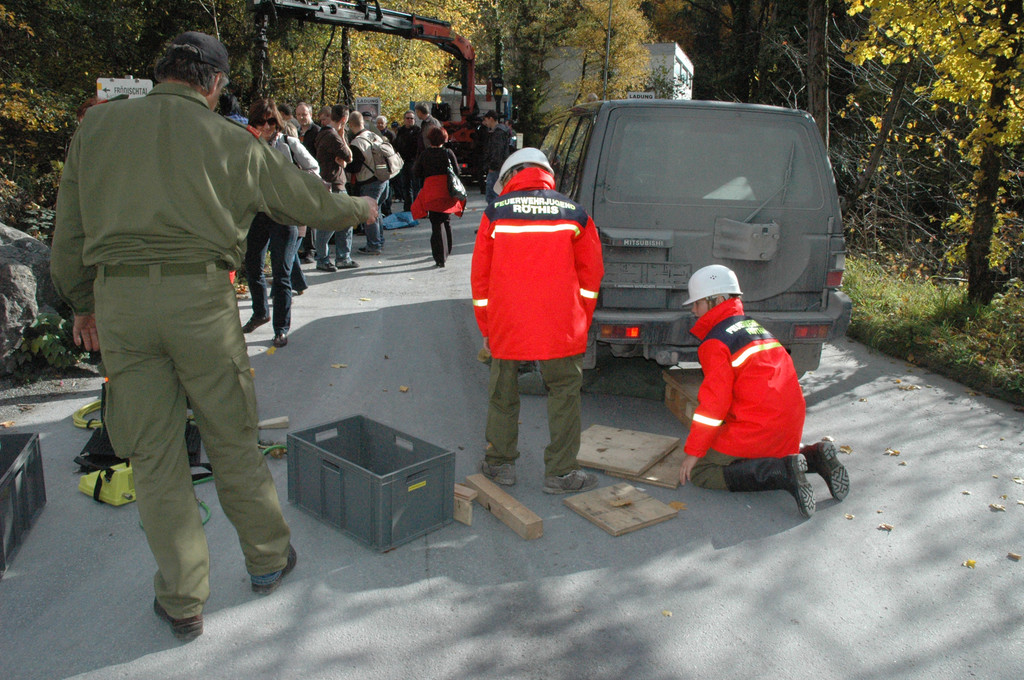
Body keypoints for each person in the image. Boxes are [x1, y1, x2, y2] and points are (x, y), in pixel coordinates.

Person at [50, 31, 377, 641]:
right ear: (216, 83)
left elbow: (68, 233)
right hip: (200, 302)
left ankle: (182, 600)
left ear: (161, 73)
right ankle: (268, 559)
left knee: (153, 456)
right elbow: (303, 201)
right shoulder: (232, 140)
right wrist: (360, 209)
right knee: (231, 438)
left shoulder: (97, 128)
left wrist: (83, 304)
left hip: (121, 304)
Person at [471, 148, 604, 494]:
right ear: (546, 174)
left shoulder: (495, 213)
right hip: (561, 325)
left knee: (503, 394)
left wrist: (487, 327)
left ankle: (499, 464)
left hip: (507, 323)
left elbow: (481, 278)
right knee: (564, 394)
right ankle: (561, 474)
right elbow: (591, 276)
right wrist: (580, 318)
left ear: (509, 177)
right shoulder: (575, 213)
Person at [676, 264, 850, 517]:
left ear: (718, 301)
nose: (693, 310)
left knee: (702, 471)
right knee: (760, 449)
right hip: (789, 425)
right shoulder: (756, 328)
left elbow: (713, 406)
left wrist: (693, 453)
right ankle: (814, 457)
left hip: (758, 426)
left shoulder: (715, 342)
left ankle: (780, 473)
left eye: (698, 303)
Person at [241, 98, 319, 348]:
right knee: (252, 266)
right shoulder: (247, 145)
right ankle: (260, 313)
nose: (266, 126)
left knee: (281, 273)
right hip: (257, 213)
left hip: (284, 215)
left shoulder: (288, 143)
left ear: (277, 122)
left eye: (271, 121)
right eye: (260, 122)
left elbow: (314, 169)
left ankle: (281, 329)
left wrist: (291, 181)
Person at [411, 125, 465, 268]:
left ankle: (439, 256)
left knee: (435, 223)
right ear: (444, 138)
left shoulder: (425, 154)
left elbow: (416, 172)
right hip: (446, 190)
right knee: (446, 220)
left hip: (431, 190)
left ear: (430, 139)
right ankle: (447, 250)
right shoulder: (448, 153)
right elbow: (457, 171)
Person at [313, 103, 356, 270]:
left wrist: (342, 160)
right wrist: (343, 137)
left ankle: (340, 257)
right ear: (344, 119)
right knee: (331, 223)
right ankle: (324, 259)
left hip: (331, 182)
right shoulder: (333, 136)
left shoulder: (322, 133)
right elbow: (349, 156)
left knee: (344, 221)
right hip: (334, 184)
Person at [347, 111, 389, 256]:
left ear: (351, 124)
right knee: (377, 211)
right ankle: (379, 241)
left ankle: (373, 245)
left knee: (369, 213)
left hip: (369, 181)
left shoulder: (357, 142)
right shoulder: (374, 135)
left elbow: (355, 167)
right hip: (383, 177)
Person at [293, 101, 321, 262]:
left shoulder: (316, 131)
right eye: (298, 115)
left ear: (310, 114)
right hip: (298, 178)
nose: (301, 117)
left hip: (312, 176)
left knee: (311, 216)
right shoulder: (295, 131)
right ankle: (303, 248)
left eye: (304, 114)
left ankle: (311, 249)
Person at [481, 110, 512, 204]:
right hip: (501, 167)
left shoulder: (497, 133)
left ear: (491, 119)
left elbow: (497, 151)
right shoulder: (502, 131)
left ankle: (494, 212)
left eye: (486, 120)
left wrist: (492, 166)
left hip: (496, 168)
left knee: (491, 195)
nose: (485, 123)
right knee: (496, 194)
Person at [393, 109, 421, 210]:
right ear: (404, 119)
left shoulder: (418, 131)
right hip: (403, 161)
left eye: (411, 118)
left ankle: (417, 208)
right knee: (405, 186)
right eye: (407, 118)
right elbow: (396, 144)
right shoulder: (400, 131)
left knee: (416, 186)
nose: (409, 120)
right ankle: (407, 207)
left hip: (414, 161)